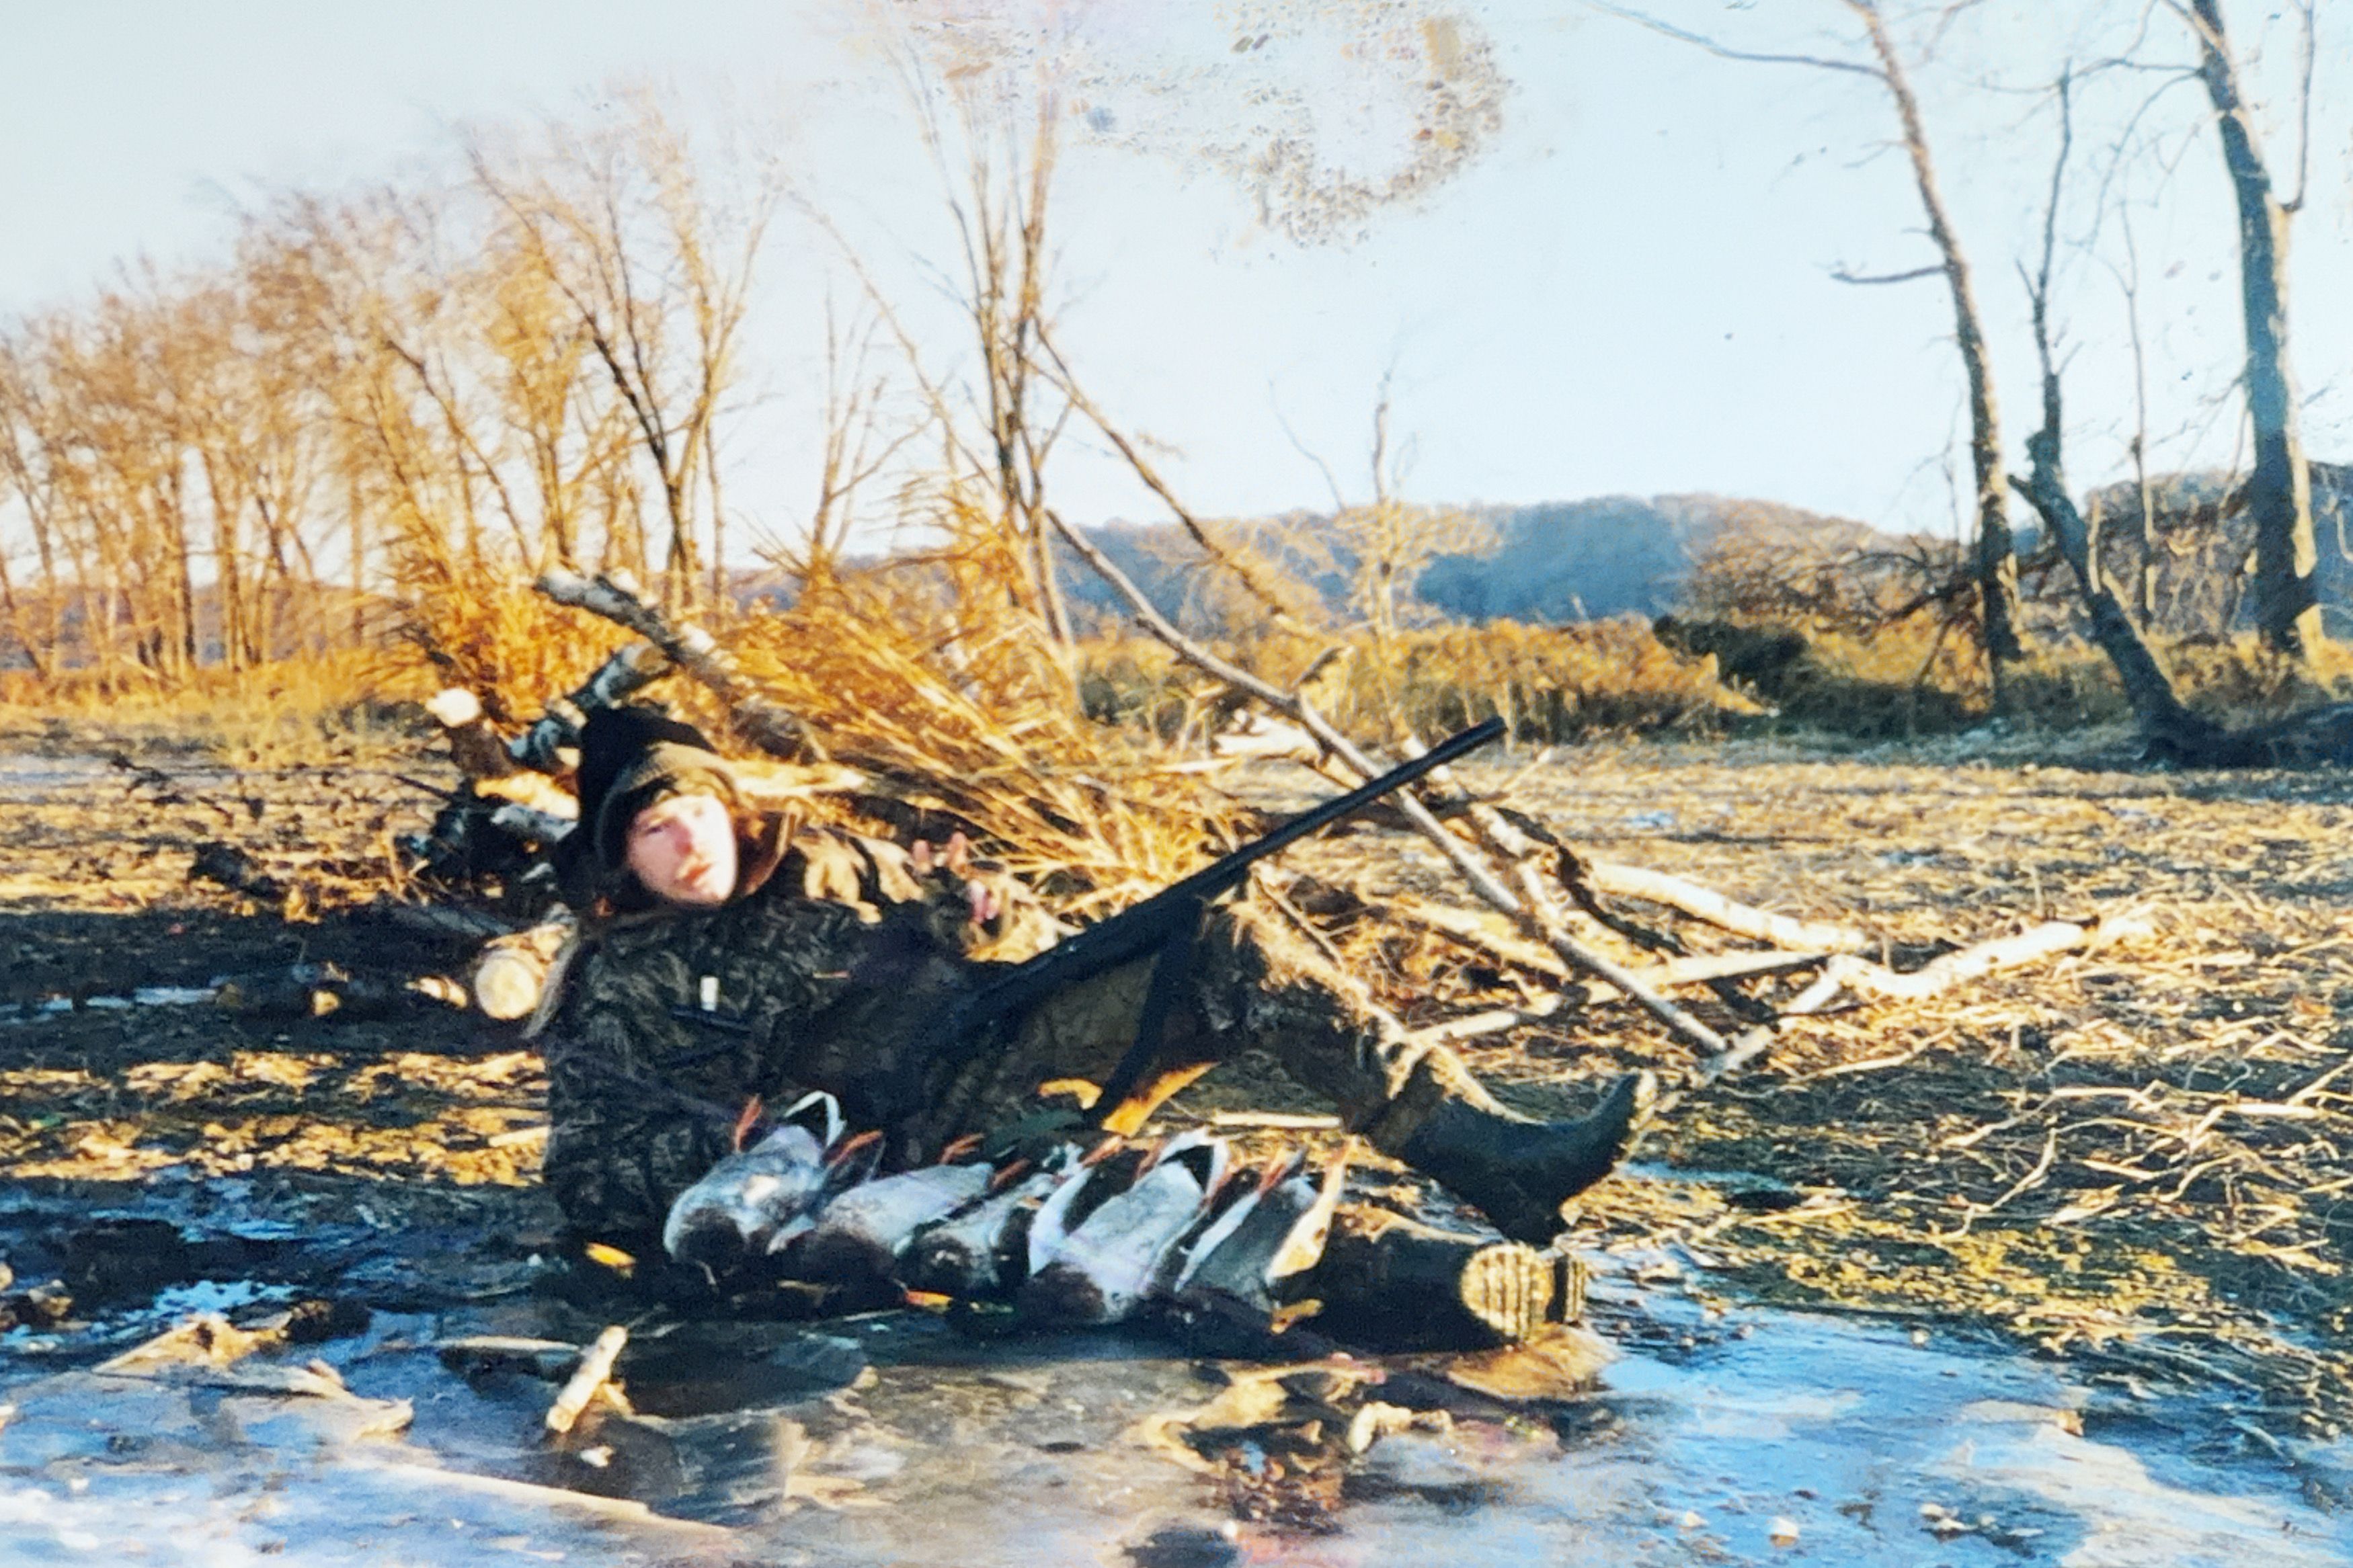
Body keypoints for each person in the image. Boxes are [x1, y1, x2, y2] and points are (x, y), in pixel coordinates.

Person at [539, 706, 1654, 1296]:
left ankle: (1490, 1154)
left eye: (698, 812)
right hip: (869, 1169)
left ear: (734, 808)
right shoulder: (614, 980)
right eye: (652, 827)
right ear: (617, 856)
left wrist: (990, 915)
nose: (688, 843)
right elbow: (585, 1180)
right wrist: (751, 1134)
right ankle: (1437, 1273)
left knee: (1221, 941)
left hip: (999, 1046)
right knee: (1143, 1215)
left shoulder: (834, 865)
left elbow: (1013, 935)